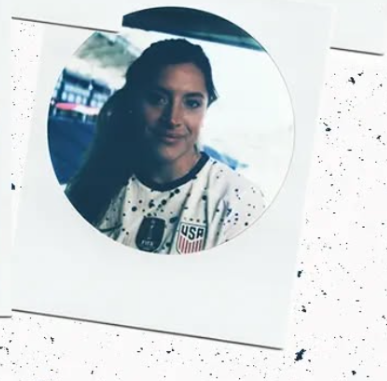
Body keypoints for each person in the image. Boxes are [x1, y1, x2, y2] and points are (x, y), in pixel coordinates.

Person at [63, 38, 264, 254]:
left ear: (206, 108)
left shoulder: (237, 201)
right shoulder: (90, 186)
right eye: (157, 99)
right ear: (133, 102)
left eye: (192, 103)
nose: (173, 119)